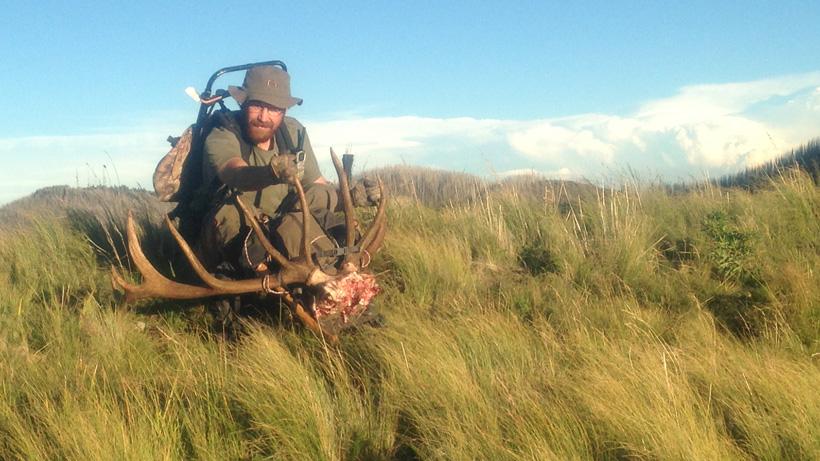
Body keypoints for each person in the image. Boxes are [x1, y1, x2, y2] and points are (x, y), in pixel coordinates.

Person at [196, 65, 378, 277]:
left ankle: (330, 271)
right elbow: (234, 173)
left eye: (273, 108)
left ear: (284, 110)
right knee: (232, 211)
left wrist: (350, 196)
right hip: (239, 229)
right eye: (257, 105)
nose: (264, 117)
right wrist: (271, 173)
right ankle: (256, 275)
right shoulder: (222, 133)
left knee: (317, 195)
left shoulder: (294, 132)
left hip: (282, 221)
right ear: (243, 101)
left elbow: (316, 184)